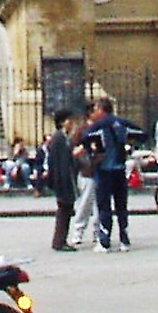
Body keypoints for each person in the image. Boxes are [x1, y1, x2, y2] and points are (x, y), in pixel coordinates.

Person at [82, 97, 137, 252]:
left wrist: (94, 151)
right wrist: (129, 146)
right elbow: (141, 133)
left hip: (105, 169)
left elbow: (85, 137)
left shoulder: (100, 125)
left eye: (97, 109)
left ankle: (104, 240)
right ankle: (124, 239)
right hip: (120, 168)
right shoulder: (122, 122)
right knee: (121, 206)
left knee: (104, 205)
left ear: (101, 109)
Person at [47, 109, 78, 251]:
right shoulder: (59, 139)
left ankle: (61, 240)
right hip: (63, 181)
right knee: (64, 211)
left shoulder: (64, 138)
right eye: (69, 121)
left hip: (65, 180)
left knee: (66, 210)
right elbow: (58, 163)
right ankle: (59, 241)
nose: (71, 124)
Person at [68, 101, 98, 247]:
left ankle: (98, 232)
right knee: (85, 203)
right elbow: (73, 149)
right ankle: (78, 231)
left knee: (101, 205)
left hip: (100, 169)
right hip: (87, 171)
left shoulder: (102, 128)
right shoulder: (83, 130)